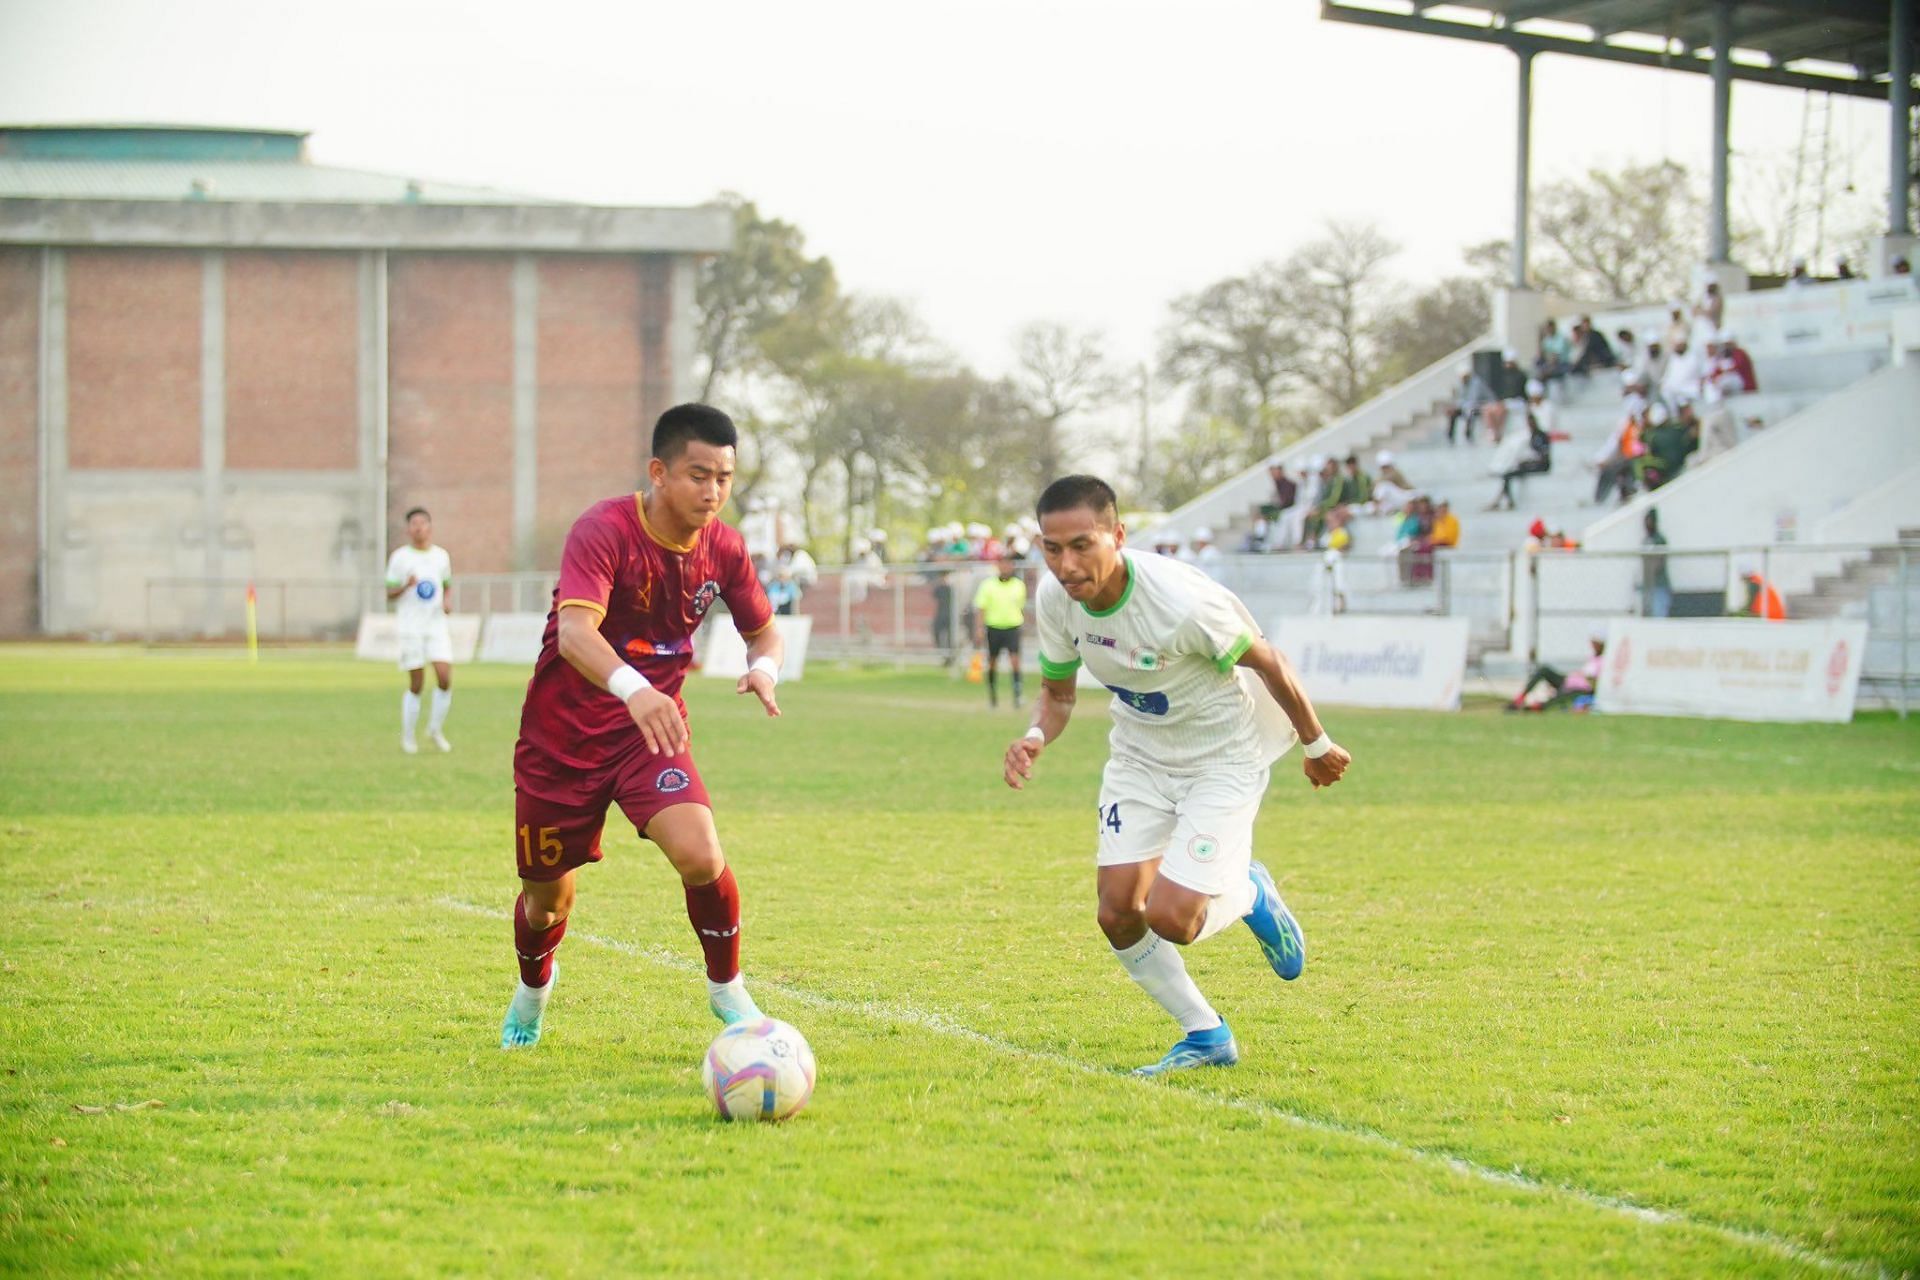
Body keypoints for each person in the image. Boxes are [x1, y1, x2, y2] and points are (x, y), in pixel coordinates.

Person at [1002, 475, 1350, 1077]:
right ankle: (1206, 1033)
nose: (1066, 564)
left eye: (1082, 544)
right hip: (1140, 758)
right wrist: (1034, 736)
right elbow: (1057, 695)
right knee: (1117, 912)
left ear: (1117, 534)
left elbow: (1269, 661)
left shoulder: (1179, 600)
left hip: (1223, 757)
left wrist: (1316, 745)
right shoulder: (1056, 599)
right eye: (1052, 549)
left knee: (1174, 918)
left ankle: (1248, 893)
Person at [501, 403, 784, 1050]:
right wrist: (634, 689)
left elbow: (763, 630)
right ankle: (534, 986)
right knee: (548, 905)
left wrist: (764, 668)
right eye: (697, 474)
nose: (712, 492)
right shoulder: (603, 530)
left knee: (701, 853)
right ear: (659, 472)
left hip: (648, 735)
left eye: (724, 477)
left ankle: (725, 987)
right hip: (560, 742)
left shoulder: (726, 549)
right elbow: (575, 633)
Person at [385, 506, 455, 754]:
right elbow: (389, 592)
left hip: (436, 625)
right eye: (414, 524)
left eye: (423, 523)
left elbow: (446, 584)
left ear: (429, 527)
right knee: (417, 682)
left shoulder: (441, 556)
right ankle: (408, 735)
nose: (419, 528)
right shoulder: (400, 558)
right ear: (408, 529)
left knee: (445, 678)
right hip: (411, 627)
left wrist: (447, 601)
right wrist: (406, 586)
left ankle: (435, 729)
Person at [972, 556, 1029, 708]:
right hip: (994, 627)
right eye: (1002, 565)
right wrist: (979, 628)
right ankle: (993, 696)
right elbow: (980, 607)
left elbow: (1021, 606)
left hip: (1012, 627)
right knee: (992, 663)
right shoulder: (988, 585)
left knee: (1015, 661)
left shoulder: (1019, 585)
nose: (1005, 568)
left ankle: (1017, 695)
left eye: (1008, 565)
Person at [1507, 633, 1605, 711]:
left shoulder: (1605, 661)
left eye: (1596, 642)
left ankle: (1536, 707)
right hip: (1568, 681)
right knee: (1545, 670)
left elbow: (1596, 681)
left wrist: (1586, 678)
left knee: (1559, 698)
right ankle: (1521, 698)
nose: (1592, 645)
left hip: (1582, 690)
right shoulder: (1593, 658)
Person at [1641, 510, 1671, 618]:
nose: (1647, 524)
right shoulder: (1646, 540)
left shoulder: (1660, 539)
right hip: (1647, 585)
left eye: (1649, 521)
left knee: (1659, 616)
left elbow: (1659, 561)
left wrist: (1653, 566)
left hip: (1659, 584)